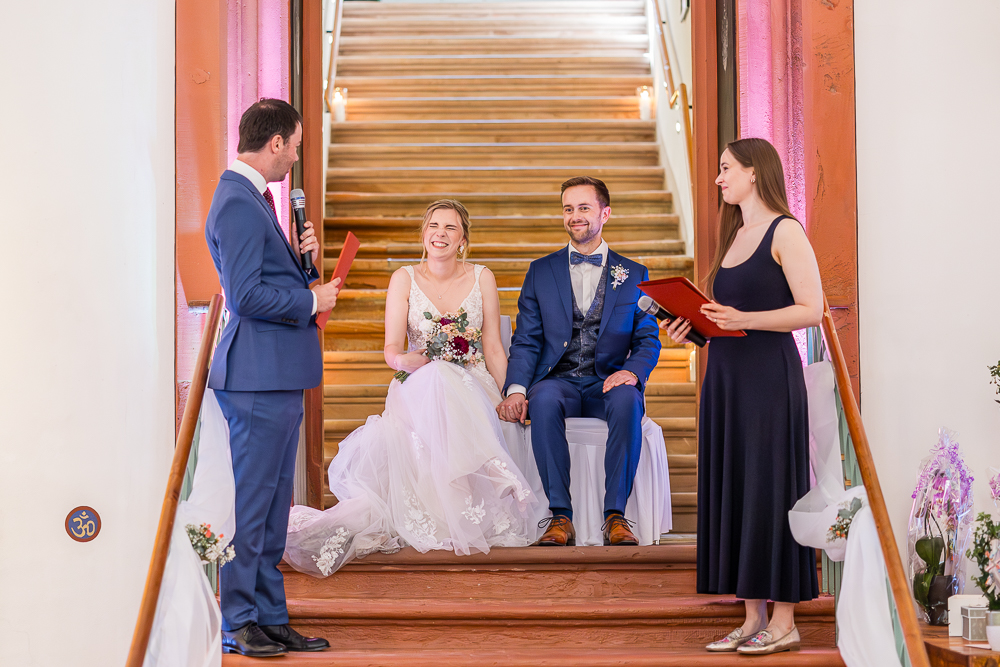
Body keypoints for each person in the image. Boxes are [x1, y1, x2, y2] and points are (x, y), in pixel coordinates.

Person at [282, 199, 542, 577]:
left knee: (447, 377)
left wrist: (512, 394)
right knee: (436, 375)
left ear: (463, 239)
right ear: (423, 234)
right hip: (417, 381)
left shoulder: (482, 277)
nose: (440, 234)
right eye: (434, 226)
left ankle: (480, 481)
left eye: (450, 228)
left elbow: (493, 348)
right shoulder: (403, 278)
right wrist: (405, 360)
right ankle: (489, 470)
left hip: (473, 379)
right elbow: (391, 350)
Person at [663, 137, 822, 655]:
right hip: (726, 378)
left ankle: (785, 621)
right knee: (739, 489)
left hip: (769, 379)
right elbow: (725, 319)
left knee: (770, 490)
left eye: (726, 167)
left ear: (755, 171)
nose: (718, 178)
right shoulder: (733, 234)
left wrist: (743, 318)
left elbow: (811, 309)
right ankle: (753, 617)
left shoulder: (786, 230)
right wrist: (693, 328)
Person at [205, 99, 340, 657]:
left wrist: (305, 266)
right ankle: (238, 621)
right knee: (251, 509)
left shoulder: (256, 199)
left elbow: (267, 279)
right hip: (256, 376)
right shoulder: (238, 201)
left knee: (272, 510)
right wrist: (311, 300)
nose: (296, 156)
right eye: (296, 145)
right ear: (276, 142)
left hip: (276, 374)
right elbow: (245, 296)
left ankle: (270, 615)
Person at [496, 176, 661, 547]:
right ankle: (560, 517)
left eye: (584, 207)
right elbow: (527, 339)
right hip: (559, 380)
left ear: (605, 213)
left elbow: (648, 339)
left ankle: (615, 517)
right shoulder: (541, 271)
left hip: (608, 381)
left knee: (627, 399)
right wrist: (517, 388)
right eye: (568, 209)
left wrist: (631, 372)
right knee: (542, 398)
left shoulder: (634, 274)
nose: (575, 216)